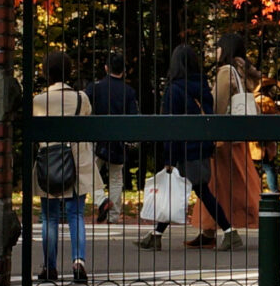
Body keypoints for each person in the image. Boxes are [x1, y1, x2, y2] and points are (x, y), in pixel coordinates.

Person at [138, 43, 235, 249]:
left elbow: (170, 127)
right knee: (187, 190)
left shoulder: (174, 90)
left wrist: (168, 159)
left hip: (184, 149)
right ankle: (154, 235)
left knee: (198, 191)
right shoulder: (202, 87)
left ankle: (230, 232)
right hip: (201, 146)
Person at [32, 50, 95, 285]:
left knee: (48, 216)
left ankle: (49, 266)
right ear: (70, 72)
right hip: (76, 161)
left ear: (45, 72)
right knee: (76, 213)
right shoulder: (81, 98)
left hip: (49, 161)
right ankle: (78, 261)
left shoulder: (38, 101)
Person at [194, 34, 263, 242]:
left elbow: (217, 105)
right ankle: (209, 229)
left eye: (218, 47)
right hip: (239, 135)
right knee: (241, 181)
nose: (215, 51)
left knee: (217, 184)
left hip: (223, 138)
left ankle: (211, 228)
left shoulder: (225, 72)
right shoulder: (242, 73)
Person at [88, 51, 138, 223]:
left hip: (98, 138)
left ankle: (101, 200)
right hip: (119, 140)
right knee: (116, 178)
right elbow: (133, 117)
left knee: (90, 172)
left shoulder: (96, 88)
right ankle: (114, 215)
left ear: (106, 67)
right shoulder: (129, 91)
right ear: (123, 70)